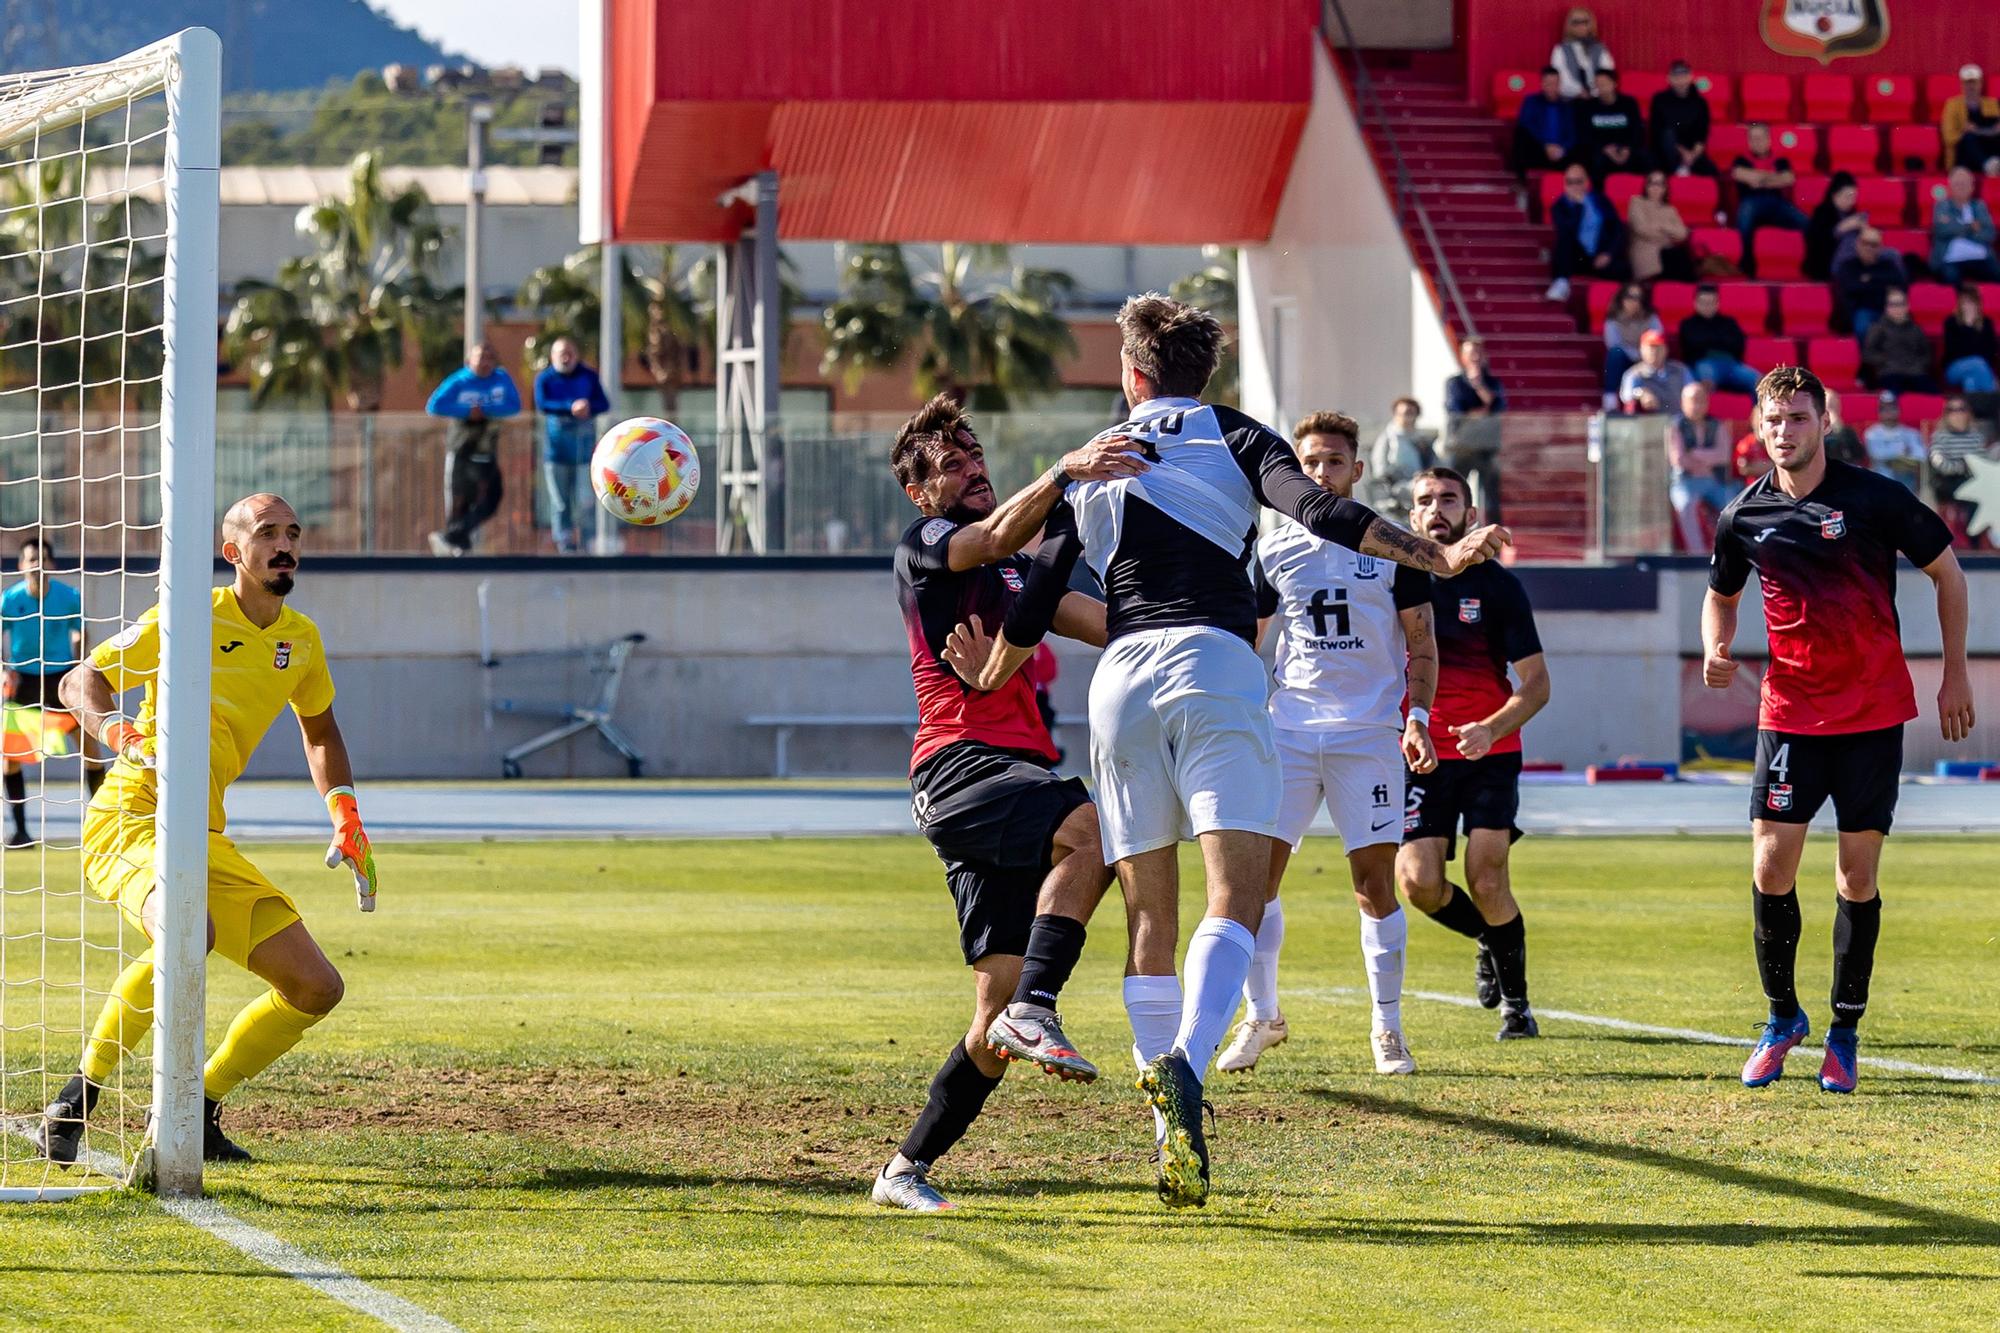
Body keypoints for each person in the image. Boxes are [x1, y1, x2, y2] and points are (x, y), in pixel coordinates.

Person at [1047, 294, 1504, 1209]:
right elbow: (1322, 511)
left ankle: (1162, 1125)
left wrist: (1008, 643)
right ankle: (1188, 1065)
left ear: (1131, 375)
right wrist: (1436, 556)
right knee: (1239, 893)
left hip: (1120, 674)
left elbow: (1043, 584)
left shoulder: (1094, 455)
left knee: (1149, 916)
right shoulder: (1238, 434)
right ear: (1201, 375)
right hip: (1215, 664)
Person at [35, 494, 378, 1165]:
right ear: (234, 553)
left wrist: (346, 812)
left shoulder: (300, 640)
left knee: (316, 987)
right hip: (131, 819)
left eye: (294, 534)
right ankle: (76, 1099)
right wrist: (121, 731)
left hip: (202, 833)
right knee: (190, 931)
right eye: (268, 533)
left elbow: (322, 731)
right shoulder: (188, 618)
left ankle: (200, 1106)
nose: (285, 545)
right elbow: (81, 683)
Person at [871, 396, 1135, 1213]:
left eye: (976, 454)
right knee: (1092, 831)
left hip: (1007, 772)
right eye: (952, 464)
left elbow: (1106, 621)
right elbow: (989, 538)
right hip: (959, 765)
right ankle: (1042, 1007)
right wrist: (1065, 473)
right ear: (922, 494)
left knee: (990, 1014)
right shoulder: (927, 545)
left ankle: (902, 1169)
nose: (973, 468)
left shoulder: (1019, 572)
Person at [1704, 365, 1972, 1095]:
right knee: (1770, 866)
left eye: (1797, 417)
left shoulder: (1874, 498)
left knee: (1856, 875)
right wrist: (1714, 645)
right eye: (1773, 420)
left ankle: (1844, 1031)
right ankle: (1781, 1016)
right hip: (1789, 713)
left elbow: (1949, 575)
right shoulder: (1744, 515)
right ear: (1757, 429)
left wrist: (1955, 672)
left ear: (1824, 421)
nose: (1784, 431)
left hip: (1873, 714)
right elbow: (1719, 595)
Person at [1216, 412, 1440, 1077]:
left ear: (1357, 469)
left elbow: (1422, 642)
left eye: (1333, 462)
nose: (1320, 474)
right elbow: (1245, 640)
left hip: (1367, 737)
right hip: (1286, 733)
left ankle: (1388, 1026)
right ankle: (1263, 1015)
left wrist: (1418, 715)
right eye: (1309, 462)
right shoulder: (1273, 548)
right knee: (1254, 882)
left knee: (1374, 885)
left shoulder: (1392, 547)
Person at [1396, 467, 1549, 1041]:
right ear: (1410, 517)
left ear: (1470, 513)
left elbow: (1536, 684)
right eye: (1425, 501)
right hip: (1421, 751)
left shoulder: (1497, 585)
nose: (1437, 509)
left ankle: (1518, 1007)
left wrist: (1489, 728)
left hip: (1491, 750)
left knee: (1488, 878)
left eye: (1449, 499)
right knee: (1417, 882)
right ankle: (1488, 936)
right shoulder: (1396, 578)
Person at [0, 536, 92, 847]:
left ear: (51, 564)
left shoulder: (69, 596)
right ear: (21, 565)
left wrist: (79, 663)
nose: (37, 564)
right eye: (30, 559)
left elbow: (79, 630)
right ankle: (21, 831)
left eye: (42, 559)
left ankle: (101, 829)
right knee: (10, 759)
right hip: (24, 680)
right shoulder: (10, 600)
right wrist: (4, 667)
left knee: (90, 748)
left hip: (61, 680)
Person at [425, 341, 521, 556]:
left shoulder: (501, 379)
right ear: (470, 361)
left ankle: (452, 537)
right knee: (460, 500)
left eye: (489, 358)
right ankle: (457, 543)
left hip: (486, 451)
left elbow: (514, 405)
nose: (484, 362)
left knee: (491, 499)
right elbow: (434, 405)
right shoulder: (460, 381)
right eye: (480, 357)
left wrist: (485, 409)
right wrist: (467, 411)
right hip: (462, 450)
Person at [532, 337, 612, 555]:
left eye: (570, 353)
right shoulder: (545, 379)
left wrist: (588, 406)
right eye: (561, 353)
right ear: (553, 357)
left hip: (585, 452)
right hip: (556, 452)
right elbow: (542, 404)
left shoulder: (589, 376)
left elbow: (603, 403)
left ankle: (587, 541)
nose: (566, 357)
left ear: (576, 355)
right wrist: (570, 407)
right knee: (560, 502)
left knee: (586, 501)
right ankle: (564, 543)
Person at [1443, 337, 1508, 522]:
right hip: (1462, 446)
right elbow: (1456, 410)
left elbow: (1499, 408)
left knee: (1491, 498)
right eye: (1471, 353)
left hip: (1488, 448)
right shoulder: (1455, 383)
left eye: (1478, 352)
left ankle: (1493, 541)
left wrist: (1479, 386)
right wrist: (1483, 411)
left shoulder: (1493, 383)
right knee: (1455, 491)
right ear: (1463, 356)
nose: (1475, 357)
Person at [1667, 382, 1735, 549]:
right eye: (1692, 400)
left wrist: (1697, 454)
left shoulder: (1717, 424)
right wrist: (1709, 459)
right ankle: (1696, 552)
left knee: (1733, 505)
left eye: (1701, 400)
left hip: (1714, 480)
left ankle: (1729, 553)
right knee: (1685, 506)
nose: (1697, 405)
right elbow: (1679, 460)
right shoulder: (1675, 426)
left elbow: (1724, 455)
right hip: (1685, 481)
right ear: (1683, 403)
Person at [1731, 123, 1808, 271]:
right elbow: (1741, 175)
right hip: (1751, 202)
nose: (1756, 142)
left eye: (1760, 138)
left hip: (1776, 204)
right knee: (1744, 219)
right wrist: (1773, 179)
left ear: (1768, 140)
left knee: (1806, 223)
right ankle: (1746, 265)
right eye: (1752, 138)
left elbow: (1788, 179)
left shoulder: (1780, 160)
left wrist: (1758, 180)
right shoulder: (1741, 160)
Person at [1547, 165, 1627, 301]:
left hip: (1600, 255)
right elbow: (1567, 231)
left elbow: (1617, 228)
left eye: (1578, 181)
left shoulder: (1600, 200)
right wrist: (1578, 207)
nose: (1574, 186)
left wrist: (1608, 254)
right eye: (1570, 182)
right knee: (1564, 240)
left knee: (1624, 269)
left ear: (1586, 182)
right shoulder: (1559, 206)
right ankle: (1561, 282)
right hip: (1577, 257)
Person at [1927, 395, 1995, 541]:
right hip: (1948, 481)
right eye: (1953, 410)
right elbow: (1939, 463)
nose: (1958, 414)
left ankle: (1989, 538)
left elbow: (1984, 461)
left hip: (1973, 478)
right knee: (1974, 494)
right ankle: (1971, 538)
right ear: (1947, 415)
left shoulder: (1976, 437)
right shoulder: (1940, 437)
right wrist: (1963, 467)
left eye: (1961, 410)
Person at [1679, 282, 1762, 394]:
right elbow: (1691, 347)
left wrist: (1707, 341)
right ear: (1695, 303)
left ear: (1717, 303)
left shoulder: (1729, 322)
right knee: (1706, 381)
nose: (1707, 306)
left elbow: (1738, 345)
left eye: (1711, 302)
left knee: (1760, 382)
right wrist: (1720, 340)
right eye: (1703, 302)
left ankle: (1759, 411)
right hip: (1704, 364)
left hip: (1731, 365)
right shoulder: (1688, 324)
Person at [1832, 229, 1908, 341]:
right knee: (1864, 328)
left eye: (1873, 244)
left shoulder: (1888, 265)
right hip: (1861, 310)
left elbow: (1901, 285)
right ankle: (1871, 358)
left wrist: (1869, 280)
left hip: (1888, 309)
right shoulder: (1848, 266)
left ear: (1880, 247)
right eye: (1865, 243)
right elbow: (1850, 288)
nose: (1868, 248)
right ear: (1857, 244)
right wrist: (1882, 285)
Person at [1862, 289, 1940, 394]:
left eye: (1900, 304)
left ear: (1907, 306)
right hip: (1890, 372)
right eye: (1893, 304)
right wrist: (1886, 361)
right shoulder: (1878, 328)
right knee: (1893, 397)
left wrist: (1919, 365)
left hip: (1915, 372)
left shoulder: (1916, 329)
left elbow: (1926, 353)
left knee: (1934, 395)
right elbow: (1868, 353)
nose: (1897, 308)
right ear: (1886, 307)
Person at [1931, 167, 2000, 285]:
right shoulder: (1942, 206)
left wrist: (1957, 230)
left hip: (1980, 257)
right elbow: (1942, 230)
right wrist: (1971, 227)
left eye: (1965, 184)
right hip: (1950, 259)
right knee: (1950, 278)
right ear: (1950, 187)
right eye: (1957, 184)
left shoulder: (1979, 206)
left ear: (1972, 187)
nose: (1961, 187)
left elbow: (1990, 234)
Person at [1575, 69, 1647, 182]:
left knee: (1646, 158)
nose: (1600, 88)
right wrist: (1605, 149)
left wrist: (1627, 149)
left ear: (1614, 84)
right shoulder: (1589, 106)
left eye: (1604, 84)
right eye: (1597, 85)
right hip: (1602, 151)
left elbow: (1637, 131)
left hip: (1625, 149)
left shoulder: (1629, 103)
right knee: (1593, 160)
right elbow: (1586, 136)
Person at [1367, 396, 1435, 513]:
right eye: (1403, 413)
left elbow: (1434, 465)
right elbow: (1380, 469)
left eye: (1410, 413)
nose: (1406, 417)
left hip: (1421, 482)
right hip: (1396, 487)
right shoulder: (1387, 438)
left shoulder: (1422, 441)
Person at [1601, 283, 1662, 404]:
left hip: (1646, 358)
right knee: (1615, 353)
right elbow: (1612, 343)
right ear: (1622, 298)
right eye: (1630, 297)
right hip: (1624, 359)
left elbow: (1657, 338)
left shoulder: (1651, 317)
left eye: (1638, 298)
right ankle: (1610, 398)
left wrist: (1645, 355)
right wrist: (1635, 354)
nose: (1634, 302)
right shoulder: (1613, 319)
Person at [1650, 60, 1712, 178]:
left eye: (1684, 76)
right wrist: (1683, 153)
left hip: (1693, 153)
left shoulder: (1700, 102)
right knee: (1667, 136)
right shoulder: (1659, 100)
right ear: (1669, 79)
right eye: (1676, 77)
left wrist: (1692, 155)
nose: (1680, 81)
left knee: (1711, 172)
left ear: (1690, 77)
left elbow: (1702, 134)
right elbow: (1657, 132)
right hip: (1668, 151)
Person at [1627, 171, 1692, 283]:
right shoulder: (1637, 202)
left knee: (1683, 268)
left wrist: (1661, 226)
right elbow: (1642, 229)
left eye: (1660, 184)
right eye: (1652, 183)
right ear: (1646, 186)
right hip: (1646, 253)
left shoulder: (1670, 209)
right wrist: (1669, 235)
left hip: (1668, 254)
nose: (1656, 187)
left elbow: (1682, 234)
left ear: (1665, 188)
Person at [1512, 67, 1576, 174]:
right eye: (1548, 84)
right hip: (1539, 149)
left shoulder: (1568, 106)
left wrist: (1562, 149)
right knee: (1520, 133)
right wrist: (1546, 145)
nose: (1551, 87)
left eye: (1555, 83)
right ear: (1542, 84)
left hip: (1561, 153)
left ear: (1560, 84)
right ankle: (1521, 183)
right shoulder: (1531, 101)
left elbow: (1572, 134)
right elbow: (1526, 124)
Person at [1804, 173, 1866, 282]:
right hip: (1827, 264)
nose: (1852, 201)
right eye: (1848, 197)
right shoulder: (1822, 212)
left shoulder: (1852, 213)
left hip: (1853, 261)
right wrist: (1840, 228)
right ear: (1834, 195)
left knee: (1891, 255)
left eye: (1854, 197)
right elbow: (1816, 243)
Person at [1940, 64, 2000, 174]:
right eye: (1967, 83)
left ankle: (1993, 164)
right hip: (1964, 155)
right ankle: (1987, 165)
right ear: (1962, 84)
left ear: (1980, 84)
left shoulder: (1992, 104)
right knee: (1969, 138)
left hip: (1988, 148)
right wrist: (1964, 131)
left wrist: (1986, 130)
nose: (1971, 86)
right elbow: (1948, 137)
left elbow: (1995, 128)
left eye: (1974, 82)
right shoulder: (1952, 105)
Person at [1863, 390, 1927, 491]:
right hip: (1882, 484)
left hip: (1907, 485)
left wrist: (1895, 455)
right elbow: (1877, 454)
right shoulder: (1872, 434)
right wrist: (1903, 451)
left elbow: (1921, 455)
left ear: (1898, 410)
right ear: (1879, 412)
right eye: (1884, 409)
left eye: (1892, 408)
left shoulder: (1912, 433)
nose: (1888, 412)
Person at [1942, 284, 2000, 394]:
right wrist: (1968, 328)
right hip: (1954, 369)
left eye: (1972, 302)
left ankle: (1975, 410)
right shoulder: (1951, 322)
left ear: (1978, 304)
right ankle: (1995, 395)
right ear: (1959, 303)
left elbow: (1992, 352)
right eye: (1965, 302)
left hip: (1981, 368)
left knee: (1970, 382)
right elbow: (1953, 351)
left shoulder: (1987, 323)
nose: (1968, 306)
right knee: (1978, 362)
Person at [1619, 329, 1691, 415]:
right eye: (1650, 347)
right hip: (1648, 423)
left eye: (1658, 347)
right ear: (1641, 350)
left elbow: (1692, 388)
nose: (1654, 352)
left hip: (1679, 420)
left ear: (1666, 349)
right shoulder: (1634, 373)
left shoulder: (1680, 369)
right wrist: (1641, 393)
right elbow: (1626, 395)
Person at [1549, 7, 1614, 101]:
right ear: (1569, 25)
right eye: (1576, 22)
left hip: (1598, 97)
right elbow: (1559, 76)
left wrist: (1594, 92)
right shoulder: (1560, 49)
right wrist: (1579, 91)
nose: (1581, 26)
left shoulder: (1600, 48)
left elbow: (1608, 72)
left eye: (1585, 22)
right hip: (1570, 99)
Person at [1823, 391, 1868, 467]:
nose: (1831, 411)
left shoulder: (1847, 431)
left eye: (1833, 406)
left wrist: (1839, 429)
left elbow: (1859, 455)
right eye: (1828, 406)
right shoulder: (1810, 432)